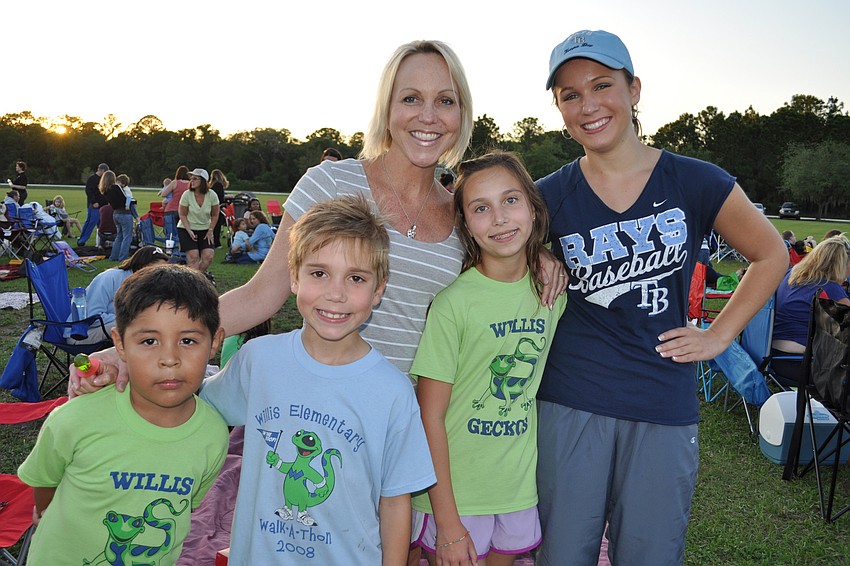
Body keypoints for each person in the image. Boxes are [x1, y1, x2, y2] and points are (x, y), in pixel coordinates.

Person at [535, 30, 788, 565]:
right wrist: (534, 255)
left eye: (602, 85)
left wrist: (719, 337)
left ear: (634, 89)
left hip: (662, 400)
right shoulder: (546, 196)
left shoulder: (694, 180)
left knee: (650, 553)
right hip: (571, 397)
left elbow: (771, 255)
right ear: (559, 108)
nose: (588, 105)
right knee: (562, 554)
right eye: (570, 95)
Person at [199, 195, 436, 564]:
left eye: (355, 278)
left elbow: (395, 500)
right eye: (319, 273)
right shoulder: (258, 360)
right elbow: (198, 413)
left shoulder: (393, 391)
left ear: (378, 290)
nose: (335, 293)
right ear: (294, 276)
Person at [411, 152, 567, 566]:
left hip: (517, 489)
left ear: (534, 209)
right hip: (457, 495)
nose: (499, 218)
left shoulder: (553, 293)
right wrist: (446, 520)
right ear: (465, 224)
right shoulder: (452, 305)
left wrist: (547, 259)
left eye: (511, 201)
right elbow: (430, 416)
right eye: (481, 208)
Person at [18, 263, 229, 565]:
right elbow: (45, 484)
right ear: (120, 344)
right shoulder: (75, 419)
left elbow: (186, 506)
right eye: (149, 341)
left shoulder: (214, 433)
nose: (169, 359)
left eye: (188, 341)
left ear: (215, 342)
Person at [771, 234, 850, 385]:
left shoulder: (790, 276)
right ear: (841, 265)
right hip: (804, 364)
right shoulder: (831, 290)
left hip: (773, 357)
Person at [64, 246, 169, 344]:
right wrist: (130, 320)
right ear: (143, 267)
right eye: (158, 270)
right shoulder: (110, 277)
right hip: (82, 334)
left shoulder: (148, 285)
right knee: (137, 327)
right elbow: (92, 317)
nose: (161, 275)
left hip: (113, 328)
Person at [177, 167, 219, 273]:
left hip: (205, 228)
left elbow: (215, 215)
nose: (192, 181)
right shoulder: (187, 194)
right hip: (187, 228)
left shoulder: (212, 195)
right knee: (193, 257)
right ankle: (195, 282)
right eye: (192, 178)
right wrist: (189, 230)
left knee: (208, 256)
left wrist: (210, 231)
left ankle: (197, 277)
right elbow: (182, 214)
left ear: (203, 181)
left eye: (195, 179)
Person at [101, 170, 133, 262]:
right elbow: (125, 198)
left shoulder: (105, 190)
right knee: (127, 236)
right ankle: (123, 257)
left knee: (119, 236)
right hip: (124, 213)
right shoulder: (116, 187)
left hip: (115, 214)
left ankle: (114, 256)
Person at [78, 163, 109, 247]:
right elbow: (89, 191)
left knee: (101, 224)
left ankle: (101, 242)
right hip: (94, 206)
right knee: (91, 222)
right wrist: (93, 202)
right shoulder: (92, 179)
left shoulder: (104, 179)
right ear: (101, 170)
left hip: (103, 205)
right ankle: (82, 240)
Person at [161, 165, 191, 242]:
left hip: (171, 209)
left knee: (171, 234)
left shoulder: (175, 183)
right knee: (183, 232)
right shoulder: (190, 184)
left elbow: (163, 194)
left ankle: (171, 249)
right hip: (185, 210)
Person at [210, 169, 229, 248]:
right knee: (217, 225)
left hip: (212, 207)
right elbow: (219, 197)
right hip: (218, 207)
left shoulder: (213, 185)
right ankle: (216, 242)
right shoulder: (219, 185)